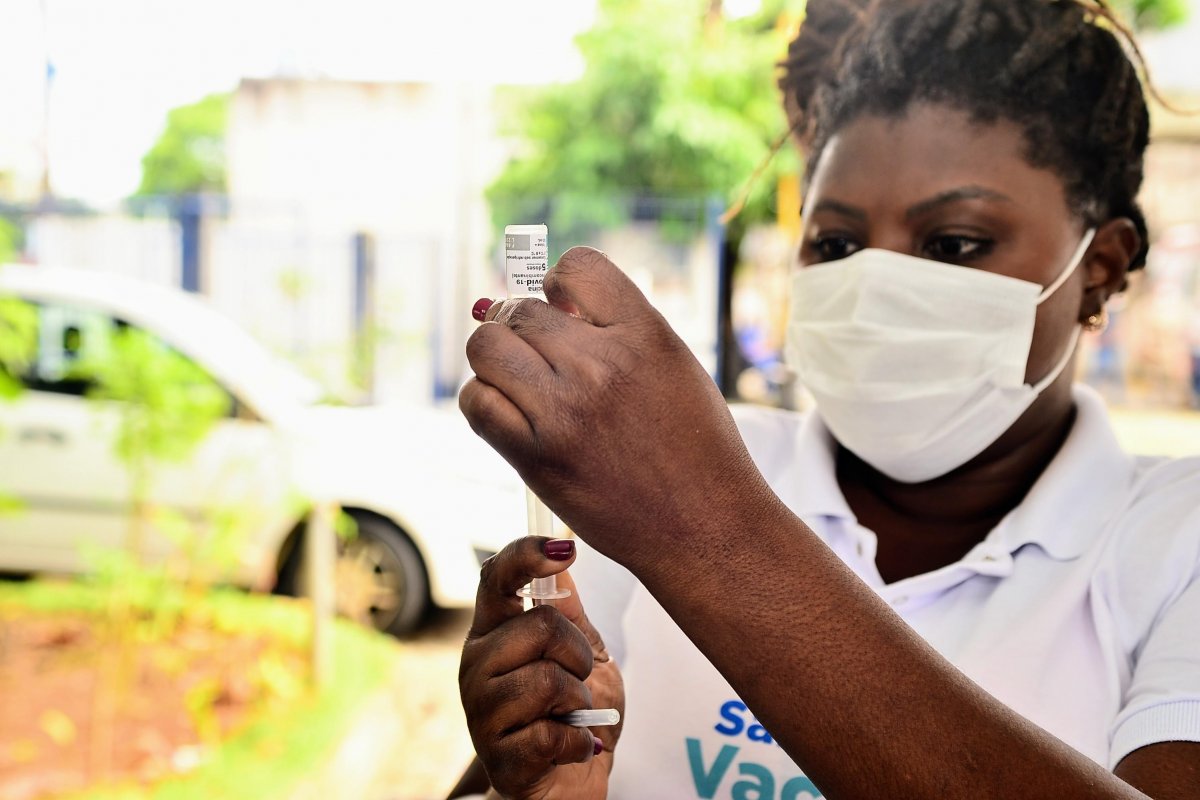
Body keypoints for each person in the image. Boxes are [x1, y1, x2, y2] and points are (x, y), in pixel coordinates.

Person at [451, 1, 1200, 798]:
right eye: (836, 245)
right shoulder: (692, 468)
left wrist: (701, 529)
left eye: (953, 244)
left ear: (1104, 265)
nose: (874, 284)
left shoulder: (1173, 543)